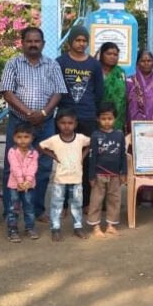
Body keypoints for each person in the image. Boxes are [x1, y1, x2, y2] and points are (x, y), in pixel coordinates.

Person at [0, 26, 66, 221]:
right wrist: (29, 113)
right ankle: (11, 210)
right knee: (12, 166)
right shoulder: (13, 64)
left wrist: (43, 113)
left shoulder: (52, 65)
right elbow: (7, 92)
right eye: (29, 41)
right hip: (19, 122)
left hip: (45, 123)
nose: (33, 44)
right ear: (22, 43)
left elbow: (58, 92)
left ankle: (37, 209)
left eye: (37, 41)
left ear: (43, 44)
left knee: (43, 166)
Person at [57, 24, 104, 205]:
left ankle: (84, 201)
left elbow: (99, 92)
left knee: (86, 160)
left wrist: (94, 112)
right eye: (77, 40)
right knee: (65, 159)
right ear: (70, 42)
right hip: (65, 118)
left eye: (84, 40)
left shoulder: (94, 64)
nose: (81, 43)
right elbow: (56, 89)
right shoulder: (60, 62)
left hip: (88, 117)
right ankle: (64, 202)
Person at [39, 108, 91, 241]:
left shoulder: (80, 139)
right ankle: (55, 229)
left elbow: (91, 143)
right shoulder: (54, 140)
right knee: (56, 205)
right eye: (63, 123)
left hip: (76, 179)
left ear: (75, 124)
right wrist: (53, 156)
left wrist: (82, 156)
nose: (66, 126)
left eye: (70, 123)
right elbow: (41, 146)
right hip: (60, 181)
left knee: (77, 204)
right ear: (57, 123)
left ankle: (78, 227)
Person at [126, 50, 153, 207]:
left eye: (149, 61)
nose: (146, 63)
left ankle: (152, 196)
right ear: (137, 63)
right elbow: (126, 105)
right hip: (136, 126)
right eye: (143, 61)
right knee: (138, 160)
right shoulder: (130, 81)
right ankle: (136, 195)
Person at [86, 101, 127, 238]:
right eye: (103, 118)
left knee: (114, 200)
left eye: (110, 118)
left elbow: (122, 155)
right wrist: (91, 176)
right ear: (98, 119)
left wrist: (124, 172)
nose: (107, 121)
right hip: (99, 175)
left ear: (115, 118)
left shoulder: (119, 135)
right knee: (96, 200)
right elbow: (92, 157)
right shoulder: (95, 136)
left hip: (115, 175)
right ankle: (96, 226)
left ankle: (110, 225)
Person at [5, 122, 39, 243]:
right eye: (19, 137)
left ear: (32, 138)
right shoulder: (12, 151)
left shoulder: (34, 153)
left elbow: (33, 167)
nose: (22, 140)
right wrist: (20, 181)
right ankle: (12, 230)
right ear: (14, 137)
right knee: (13, 208)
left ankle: (30, 228)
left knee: (29, 207)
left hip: (29, 185)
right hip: (15, 185)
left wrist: (28, 181)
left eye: (26, 137)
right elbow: (14, 167)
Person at [98, 42, 128, 131]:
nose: (112, 57)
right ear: (101, 55)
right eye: (109, 54)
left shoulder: (121, 72)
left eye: (115, 55)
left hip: (118, 117)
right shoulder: (95, 70)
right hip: (99, 115)